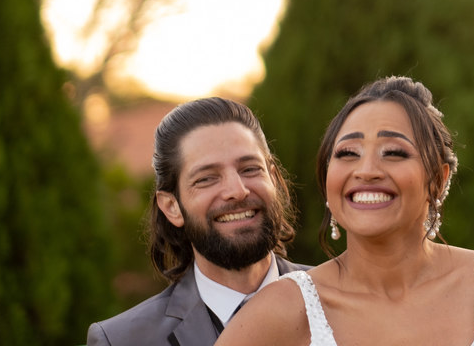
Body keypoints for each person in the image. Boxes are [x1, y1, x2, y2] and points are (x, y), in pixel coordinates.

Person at [217, 76, 474, 346]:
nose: (366, 170)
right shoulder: (282, 309)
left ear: (438, 180)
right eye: (347, 153)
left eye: (394, 152)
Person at [88, 97, 311, 346]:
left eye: (249, 169)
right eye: (206, 179)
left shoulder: (348, 300)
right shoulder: (121, 341)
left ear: (273, 178)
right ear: (172, 207)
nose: (237, 191)